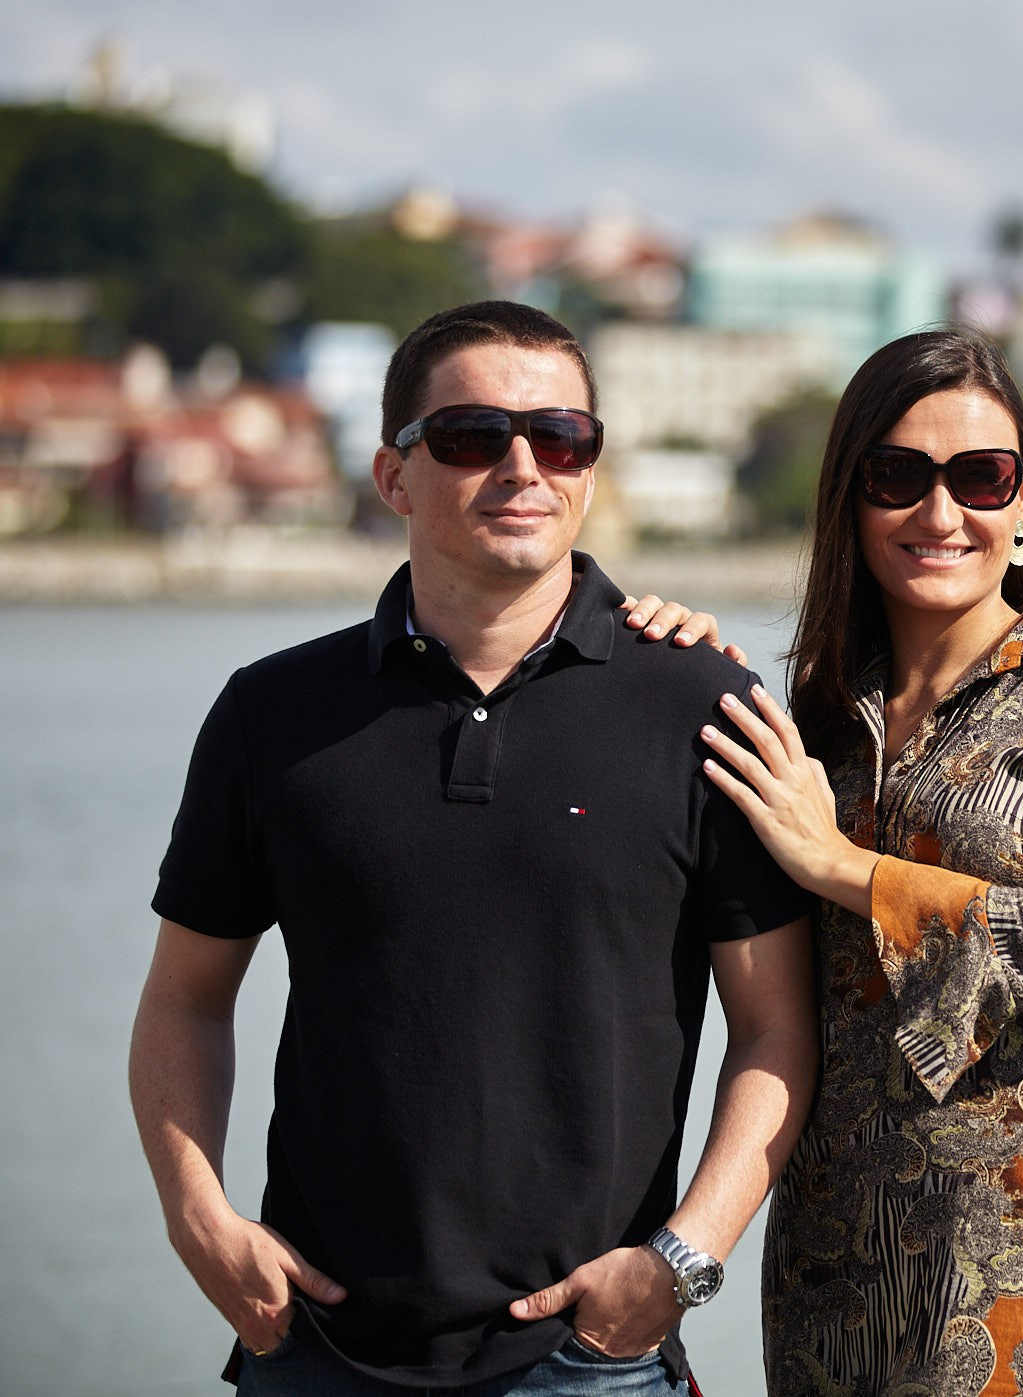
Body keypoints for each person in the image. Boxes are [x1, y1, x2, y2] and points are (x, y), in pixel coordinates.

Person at [129, 300, 817, 1395]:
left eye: (561, 437)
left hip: (589, 1360)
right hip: (314, 1347)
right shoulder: (270, 713)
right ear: (392, 475)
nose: (521, 465)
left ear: (590, 466)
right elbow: (184, 997)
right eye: (469, 436)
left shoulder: (705, 705)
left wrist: (681, 1259)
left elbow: (776, 1026)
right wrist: (199, 1218)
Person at [630, 328, 1023, 1397]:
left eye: (980, 476)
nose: (940, 513)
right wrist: (667, 655)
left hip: (1018, 1247)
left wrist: (843, 866)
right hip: (831, 1234)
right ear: (850, 499)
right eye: (898, 476)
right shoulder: (820, 713)